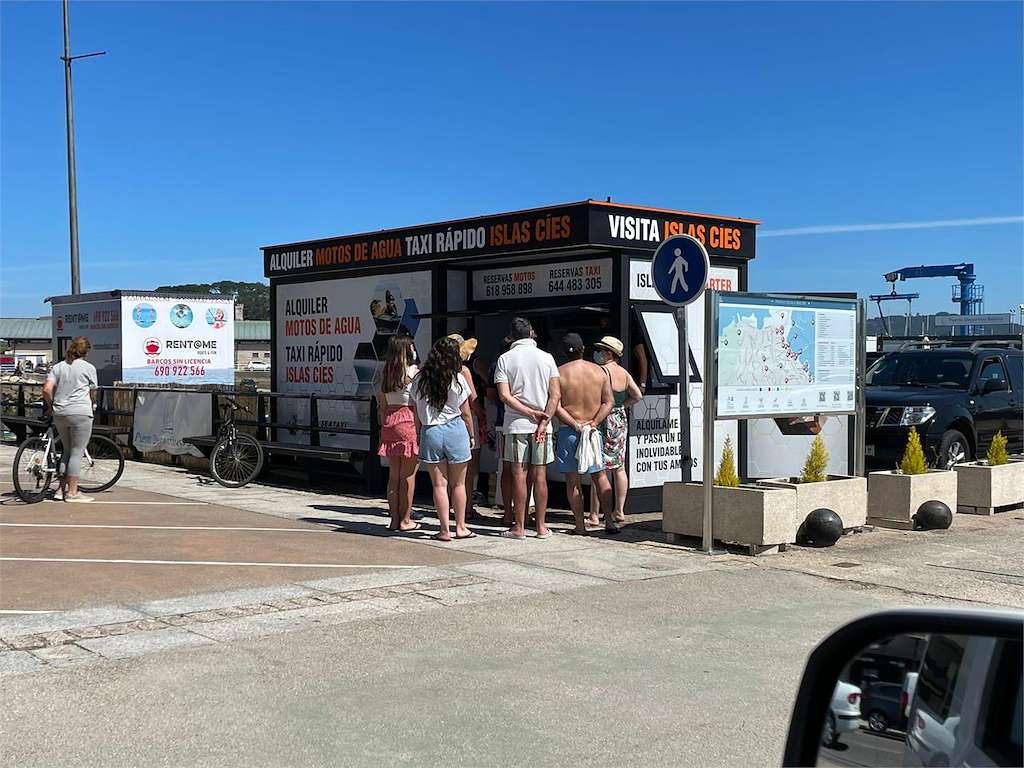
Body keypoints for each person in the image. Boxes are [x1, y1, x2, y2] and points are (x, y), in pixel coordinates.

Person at [494, 317, 560, 539]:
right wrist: (543, 420)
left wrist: (528, 412)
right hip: (542, 426)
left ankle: (519, 526)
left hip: (515, 424)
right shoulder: (547, 358)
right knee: (540, 475)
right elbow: (555, 395)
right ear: (531, 333)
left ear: (511, 336)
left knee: (518, 475)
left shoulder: (505, 359)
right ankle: (541, 527)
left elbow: (504, 395)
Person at [411, 337, 476, 542]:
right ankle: (461, 527)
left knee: (439, 485)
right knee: (459, 484)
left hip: (431, 430)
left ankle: (444, 530)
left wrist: (419, 432)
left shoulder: (420, 379)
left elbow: (416, 411)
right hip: (455, 429)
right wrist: (472, 435)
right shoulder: (457, 378)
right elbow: (466, 413)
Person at [553, 334, 614, 535]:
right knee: (600, 476)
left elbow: (556, 405)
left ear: (563, 352)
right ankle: (610, 522)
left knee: (573, 481)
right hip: (593, 431)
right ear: (583, 349)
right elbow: (609, 401)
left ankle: (580, 525)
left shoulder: (559, 373)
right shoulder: (599, 371)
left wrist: (573, 423)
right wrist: (595, 422)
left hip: (569, 431)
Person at [592, 336, 643, 531]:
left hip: (603, 417)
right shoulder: (624, 373)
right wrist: (622, 405)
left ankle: (595, 514)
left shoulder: (602, 371)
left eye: (601, 350)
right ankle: (619, 510)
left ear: (608, 353)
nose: (598, 353)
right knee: (619, 466)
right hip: (620, 418)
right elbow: (637, 395)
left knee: (599, 467)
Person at [42, 336, 98, 503]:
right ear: (86, 351)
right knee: (76, 452)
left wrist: (51, 406)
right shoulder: (89, 368)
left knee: (66, 450)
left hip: (60, 413)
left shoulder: (58, 367)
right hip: (80, 412)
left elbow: (46, 389)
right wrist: (93, 404)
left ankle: (60, 490)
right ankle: (73, 492)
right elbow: (93, 392)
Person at [376, 335, 420, 533]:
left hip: (390, 422)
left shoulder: (386, 374)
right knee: (408, 476)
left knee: (393, 476)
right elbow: (418, 404)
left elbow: (382, 404)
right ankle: (406, 519)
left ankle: (393, 519)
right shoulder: (414, 372)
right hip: (408, 421)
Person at [446, 333, 484, 516]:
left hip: (442, 423)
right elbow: (473, 399)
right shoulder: (463, 371)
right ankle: (466, 508)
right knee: (467, 469)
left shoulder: (437, 369)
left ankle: (447, 506)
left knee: (445, 471)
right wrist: (481, 414)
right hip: (463, 421)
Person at [487, 337, 514, 524]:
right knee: (529, 471)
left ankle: (508, 514)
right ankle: (528, 514)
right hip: (534, 422)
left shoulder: (498, 364)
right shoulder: (541, 358)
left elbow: (491, 394)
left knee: (506, 468)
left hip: (503, 421)